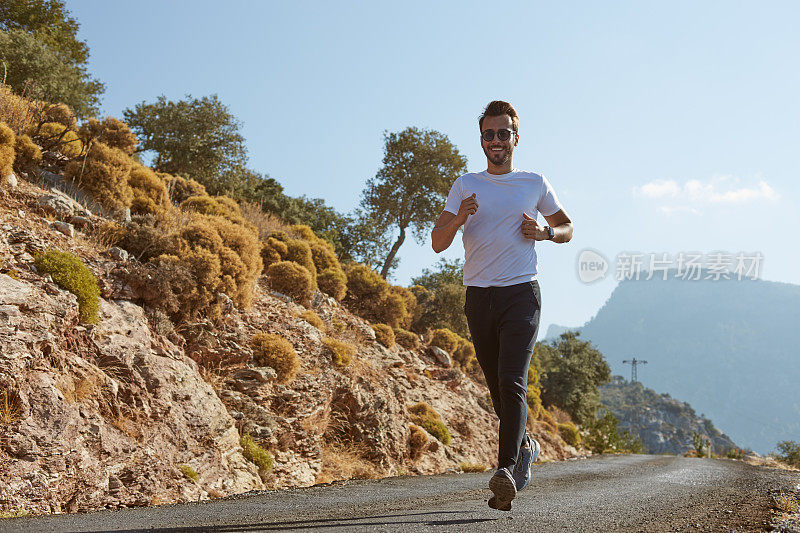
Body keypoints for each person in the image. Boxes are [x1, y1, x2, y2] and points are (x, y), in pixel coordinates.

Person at [431, 100, 573, 511]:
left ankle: (506, 472)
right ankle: (526, 445)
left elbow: (567, 228)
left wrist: (545, 231)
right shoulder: (464, 185)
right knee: (497, 389)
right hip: (478, 298)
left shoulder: (534, 182)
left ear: (515, 137)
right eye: (489, 134)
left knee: (512, 380)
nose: (497, 140)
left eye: (503, 133)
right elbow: (438, 243)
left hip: (520, 294)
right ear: (481, 140)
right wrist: (460, 217)